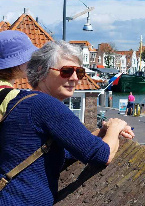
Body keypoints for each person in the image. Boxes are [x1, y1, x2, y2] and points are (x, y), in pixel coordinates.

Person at [0, 38, 134, 205]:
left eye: (79, 72)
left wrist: (101, 131)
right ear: (42, 71)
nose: (74, 78)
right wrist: (115, 126)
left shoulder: (21, 102)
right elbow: (101, 155)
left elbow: (64, 149)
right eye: (66, 71)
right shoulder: (45, 105)